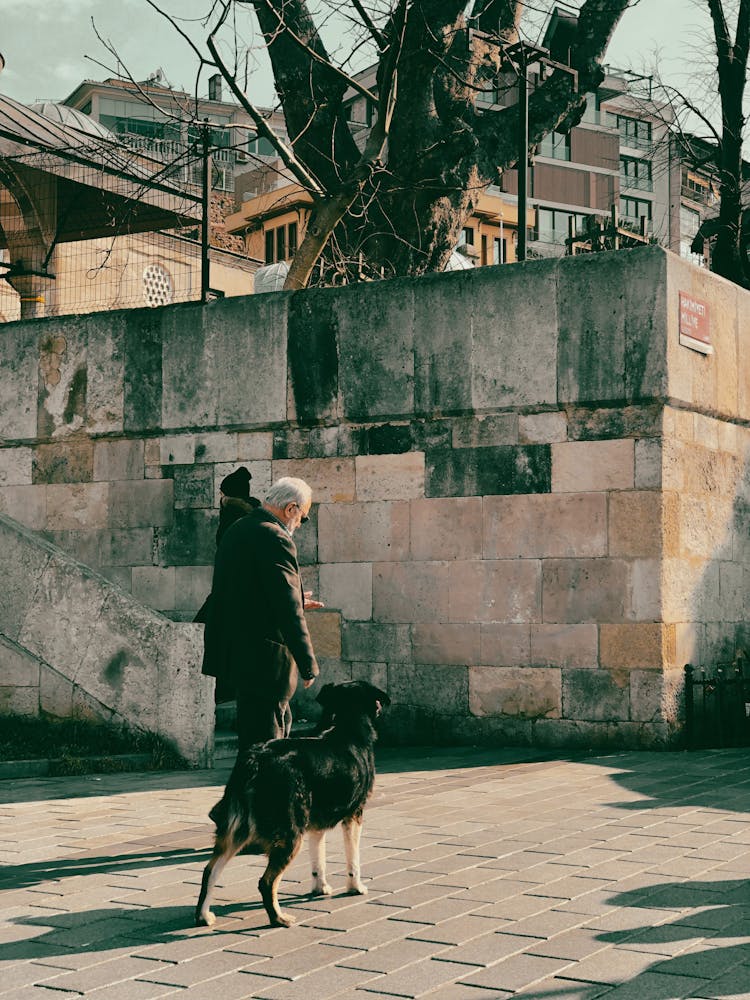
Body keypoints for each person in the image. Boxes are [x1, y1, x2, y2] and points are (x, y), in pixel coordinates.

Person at [202, 476, 322, 751]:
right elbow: (286, 607)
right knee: (268, 745)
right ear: (291, 509)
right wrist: (307, 662)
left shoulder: (238, 528)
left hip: (239, 655)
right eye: (303, 518)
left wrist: (295, 599)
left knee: (256, 739)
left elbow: (245, 592)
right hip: (266, 660)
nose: (299, 525)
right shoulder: (275, 536)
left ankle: (253, 792)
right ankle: (262, 794)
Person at [194, 467, 260, 627]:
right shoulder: (252, 516)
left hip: (231, 585)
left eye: (222, 493)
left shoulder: (231, 516)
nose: (220, 497)